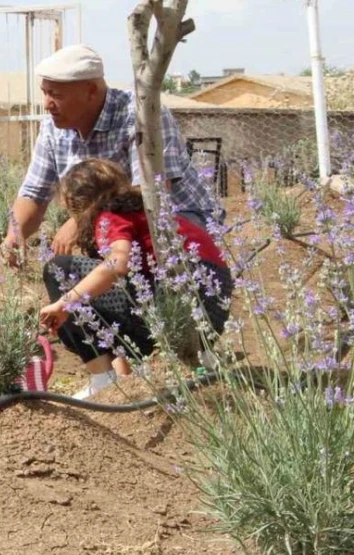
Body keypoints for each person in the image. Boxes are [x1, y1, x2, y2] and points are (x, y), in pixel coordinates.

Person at [2, 44, 222, 265]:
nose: (47, 104)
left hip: (182, 223)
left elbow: (151, 191)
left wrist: (80, 221)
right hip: (116, 228)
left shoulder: (142, 115)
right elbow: (34, 192)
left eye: (56, 95)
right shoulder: (52, 128)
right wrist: (14, 236)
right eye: (45, 93)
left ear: (91, 91)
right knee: (66, 269)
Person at [38, 158, 234, 399]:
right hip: (210, 314)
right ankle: (198, 359)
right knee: (105, 284)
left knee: (61, 270)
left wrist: (63, 303)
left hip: (177, 306)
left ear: (79, 204)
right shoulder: (144, 211)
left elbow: (118, 263)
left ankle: (100, 377)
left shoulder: (111, 215)